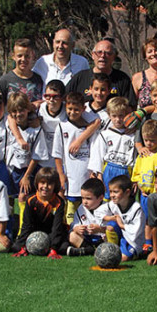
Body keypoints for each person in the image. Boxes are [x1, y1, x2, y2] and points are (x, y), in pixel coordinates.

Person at [5, 92, 49, 232]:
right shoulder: (9, 124)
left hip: (27, 170)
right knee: (9, 198)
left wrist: (27, 176)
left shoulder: (36, 129)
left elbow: (37, 156)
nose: (18, 114)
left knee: (25, 197)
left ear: (28, 109)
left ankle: (24, 231)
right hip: (12, 169)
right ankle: (11, 228)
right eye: (15, 112)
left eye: (21, 110)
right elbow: (9, 118)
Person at [52, 92, 94, 225]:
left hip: (86, 174)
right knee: (70, 207)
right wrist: (61, 175)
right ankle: (70, 231)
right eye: (69, 109)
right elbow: (57, 154)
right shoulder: (61, 126)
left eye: (76, 109)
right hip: (70, 176)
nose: (72, 112)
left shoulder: (89, 128)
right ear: (65, 108)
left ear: (83, 109)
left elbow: (94, 151)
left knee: (87, 206)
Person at [131, 119, 157, 252]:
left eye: (152, 140)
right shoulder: (142, 156)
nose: (148, 143)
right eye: (146, 140)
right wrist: (140, 186)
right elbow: (136, 174)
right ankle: (147, 242)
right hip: (145, 195)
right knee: (147, 219)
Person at [12, 167, 69, 258]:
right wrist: (22, 246)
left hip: (51, 233)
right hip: (35, 233)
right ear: (37, 183)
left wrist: (53, 248)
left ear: (55, 185)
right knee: (16, 247)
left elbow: (57, 227)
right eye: (42, 183)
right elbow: (27, 224)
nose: (45, 186)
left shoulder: (59, 202)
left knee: (63, 248)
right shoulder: (31, 200)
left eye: (49, 184)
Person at [88, 97, 136, 200]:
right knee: (108, 200)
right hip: (109, 170)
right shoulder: (104, 135)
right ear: (109, 116)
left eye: (121, 116)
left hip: (125, 171)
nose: (118, 119)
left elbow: (135, 158)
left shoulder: (133, 135)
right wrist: (99, 175)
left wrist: (135, 179)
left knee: (124, 201)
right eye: (114, 116)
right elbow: (98, 156)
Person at [66, 39, 136, 108]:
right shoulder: (80, 77)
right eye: (99, 52)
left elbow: (130, 107)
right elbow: (64, 99)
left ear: (114, 57)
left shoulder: (123, 79)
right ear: (93, 55)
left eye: (108, 53)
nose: (103, 56)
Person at [104, 175, 146, 261]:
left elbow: (135, 232)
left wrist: (121, 225)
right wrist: (110, 218)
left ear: (127, 192)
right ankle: (112, 250)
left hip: (134, 242)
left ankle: (139, 252)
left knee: (123, 258)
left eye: (115, 192)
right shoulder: (113, 204)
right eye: (110, 192)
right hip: (122, 236)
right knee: (110, 225)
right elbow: (99, 214)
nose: (112, 195)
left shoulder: (136, 209)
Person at [67, 178, 111, 256]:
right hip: (87, 239)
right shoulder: (81, 208)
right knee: (72, 235)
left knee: (111, 238)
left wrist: (100, 229)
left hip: (102, 239)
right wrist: (77, 228)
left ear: (101, 198)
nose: (85, 202)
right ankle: (90, 250)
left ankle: (88, 251)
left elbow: (115, 229)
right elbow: (73, 225)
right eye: (83, 198)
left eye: (88, 198)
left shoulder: (109, 209)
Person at [0, 38, 44, 107]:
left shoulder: (39, 80)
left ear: (32, 56)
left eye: (27, 56)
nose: (23, 59)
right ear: (13, 56)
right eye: (19, 56)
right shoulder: (5, 81)